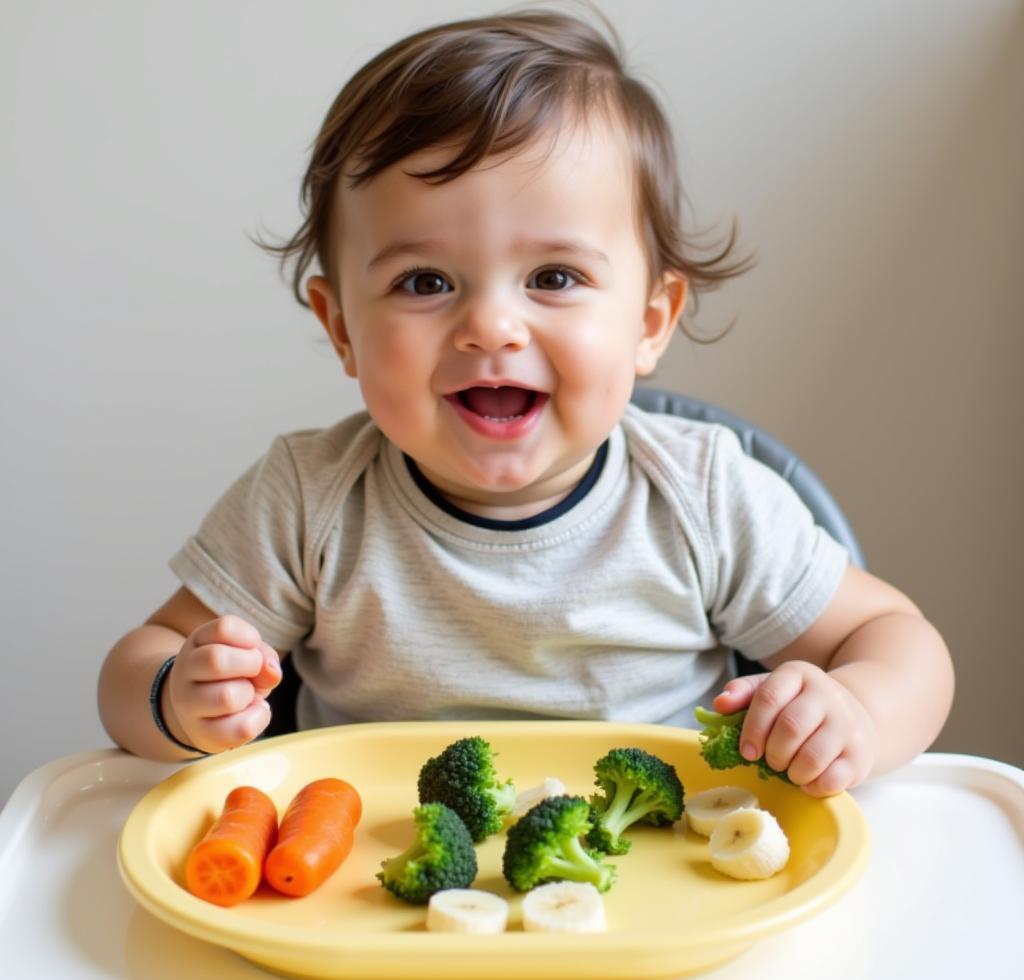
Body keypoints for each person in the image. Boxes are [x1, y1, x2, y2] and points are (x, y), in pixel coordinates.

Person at [98, 8, 954, 797]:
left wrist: (859, 715)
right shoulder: (307, 500)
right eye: (425, 281)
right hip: (376, 902)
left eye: (554, 277)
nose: (491, 326)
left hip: (656, 886)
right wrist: (176, 696)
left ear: (649, 321)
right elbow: (135, 667)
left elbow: (898, 640)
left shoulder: (702, 499)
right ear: (341, 327)